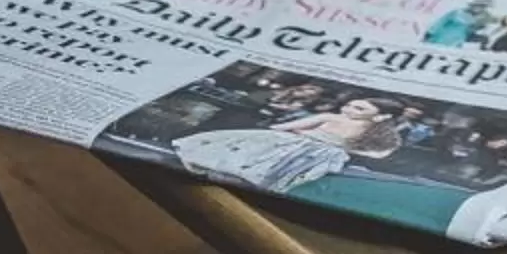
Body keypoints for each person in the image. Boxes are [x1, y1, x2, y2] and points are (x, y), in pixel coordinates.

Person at [172, 96, 403, 195]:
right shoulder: (336, 118)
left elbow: (286, 127)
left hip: (309, 149)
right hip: (315, 149)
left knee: (270, 163)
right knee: (265, 164)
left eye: (359, 108)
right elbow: (380, 154)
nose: (350, 110)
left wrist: (308, 135)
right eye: (351, 105)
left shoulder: (341, 120)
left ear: (381, 117)